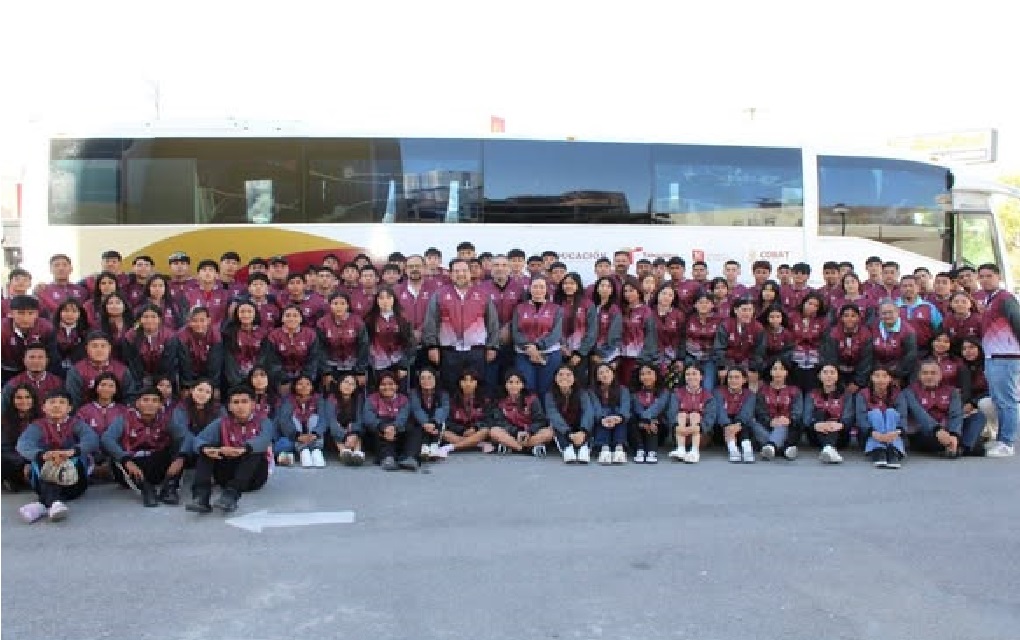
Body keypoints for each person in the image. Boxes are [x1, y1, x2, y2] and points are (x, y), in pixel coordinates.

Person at [186, 385, 273, 514]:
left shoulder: (264, 422)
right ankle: (201, 497)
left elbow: (264, 440)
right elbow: (199, 440)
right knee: (205, 450)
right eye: (236, 402)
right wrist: (207, 449)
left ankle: (231, 496)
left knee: (255, 451)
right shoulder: (221, 423)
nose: (240, 406)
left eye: (244, 402)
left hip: (254, 476)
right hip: (226, 474)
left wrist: (244, 449)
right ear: (229, 406)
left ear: (253, 405)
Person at [16, 389, 99, 523]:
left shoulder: (76, 424)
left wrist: (71, 452)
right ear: (44, 407)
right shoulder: (37, 426)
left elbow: (92, 440)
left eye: (61, 402)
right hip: (43, 478)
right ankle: (54, 503)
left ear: (69, 408)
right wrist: (44, 455)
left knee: (72, 459)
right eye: (52, 402)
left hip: (74, 483)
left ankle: (42, 505)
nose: (56, 406)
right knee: (43, 462)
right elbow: (23, 444)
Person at [422, 259, 500, 395]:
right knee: (450, 388)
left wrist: (492, 346)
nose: (461, 274)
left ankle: (476, 409)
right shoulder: (439, 294)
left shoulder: (482, 294)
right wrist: (432, 346)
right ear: (451, 274)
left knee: (477, 389)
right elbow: (431, 322)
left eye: (464, 271)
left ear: (470, 273)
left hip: (476, 351)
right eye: (456, 271)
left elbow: (492, 322)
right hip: (449, 351)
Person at [102, 387, 189, 506]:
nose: (150, 404)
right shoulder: (125, 418)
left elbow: (186, 437)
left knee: (180, 446)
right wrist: (126, 460)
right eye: (146, 400)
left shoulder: (166, 419)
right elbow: (107, 439)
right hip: (132, 464)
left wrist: (180, 458)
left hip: (157, 463)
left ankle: (170, 488)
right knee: (116, 456)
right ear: (137, 403)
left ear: (160, 405)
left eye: (155, 401)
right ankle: (146, 490)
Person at [977, 263, 1020, 457]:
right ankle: (1001, 438)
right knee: (997, 400)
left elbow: (1018, 322)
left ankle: (1007, 442)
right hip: (993, 356)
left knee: (1006, 401)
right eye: (982, 276)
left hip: (1006, 356)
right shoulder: (990, 300)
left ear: (998, 277)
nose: (985, 280)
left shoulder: (1005, 298)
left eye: (989, 276)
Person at [902, 360, 966, 458]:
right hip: (923, 431)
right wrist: (937, 430)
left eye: (933, 373)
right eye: (925, 373)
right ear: (919, 375)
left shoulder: (952, 391)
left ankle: (954, 445)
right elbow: (919, 414)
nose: (929, 376)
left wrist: (954, 434)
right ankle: (958, 447)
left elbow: (956, 414)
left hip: (947, 428)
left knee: (977, 417)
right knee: (931, 441)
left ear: (940, 375)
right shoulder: (909, 391)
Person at [511, 277, 563, 397]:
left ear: (546, 289)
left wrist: (538, 346)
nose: (538, 290)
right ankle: (531, 409)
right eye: (535, 287)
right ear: (529, 288)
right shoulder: (519, 308)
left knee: (546, 389)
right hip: (524, 353)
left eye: (541, 287)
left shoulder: (556, 309)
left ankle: (546, 409)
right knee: (527, 387)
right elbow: (515, 332)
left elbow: (556, 333)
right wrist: (529, 347)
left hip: (549, 354)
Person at [362, 371, 418, 471]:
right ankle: (387, 458)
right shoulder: (371, 399)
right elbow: (368, 418)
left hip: (398, 430)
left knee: (415, 429)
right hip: (380, 432)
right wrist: (384, 427)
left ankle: (410, 457)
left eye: (391, 384)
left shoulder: (403, 399)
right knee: (377, 428)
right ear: (378, 386)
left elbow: (403, 417)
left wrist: (394, 427)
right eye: (383, 384)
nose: (387, 387)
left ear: (396, 386)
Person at [65, 331, 138, 408]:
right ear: (87, 348)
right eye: (94, 346)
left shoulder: (122, 370)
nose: (99, 350)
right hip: (85, 413)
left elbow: (129, 398)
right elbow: (74, 401)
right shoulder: (76, 371)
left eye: (103, 346)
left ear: (110, 348)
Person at [488, 369, 551, 456]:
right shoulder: (500, 401)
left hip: (530, 434)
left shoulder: (532, 399)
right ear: (506, 385)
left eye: (517, 382)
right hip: (511, 434)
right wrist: (516, 432)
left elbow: (540, 420)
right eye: (510, 382)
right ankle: (525, 449)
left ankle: (513, 446)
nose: (514, 386)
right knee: (494, 431)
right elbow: (500, 422)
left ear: (522, 385)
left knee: (549, 432)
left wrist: (529, 431)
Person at [856, 366, 907, 469]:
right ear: (871, 378)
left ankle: (893, 450)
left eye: (884, 376)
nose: (880, 379)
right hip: (870, 434)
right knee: (875, 413)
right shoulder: (862, 394)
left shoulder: (898, 393)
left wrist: (896, 433)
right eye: (877, 376)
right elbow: (861, 417)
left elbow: (903, 416)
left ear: (890, 379)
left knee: (891, 412)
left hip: (893, 435)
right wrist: (874, 433)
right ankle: (878, 449)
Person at [753, 357, 803, 461]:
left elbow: (797, 412)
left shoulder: (795, 391)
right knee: (752, 423)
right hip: (767, 426)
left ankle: (771, 446)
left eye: (781, 369)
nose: (778, 372)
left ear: (787, 372)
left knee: (782, 424)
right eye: (775, 369)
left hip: (788, 426)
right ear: (770, 372)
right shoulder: (762, 390)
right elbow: (760, 412)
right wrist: (770, 421)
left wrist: (788, 419)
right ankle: (783, 449)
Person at [317, 292, 369, 391]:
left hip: (354, 366)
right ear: (330, 305)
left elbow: (364, 346)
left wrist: (361, 371)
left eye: (342, 303)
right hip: (331, 366)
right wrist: (326, 372)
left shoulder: (357, 321)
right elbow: (320, 349)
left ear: (347, 305)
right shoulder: (322, 323)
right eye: (335, 303)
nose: (338, 307)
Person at [363, 287, 413, 388]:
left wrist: (404, 365)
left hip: (399, 361)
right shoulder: (370, 319)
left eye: (388, 297)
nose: (385, 301)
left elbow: (410, 342)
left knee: (400, 391)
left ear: (394, 299)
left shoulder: (403, 318)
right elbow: (365, 342)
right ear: (377, 300)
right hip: (378, 363)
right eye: (381, 298)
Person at [803, 364, 854, 463]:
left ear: (837, 376)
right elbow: (806, 418)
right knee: (820, 413)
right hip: (816, 434)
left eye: (832, 372)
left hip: (840, 435)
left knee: (832, 420)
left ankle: (828, 448)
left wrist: (839, 425)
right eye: (825, 372)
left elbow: (848, 417)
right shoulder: (811, 394)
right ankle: (829, 449)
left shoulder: (846, 395)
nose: (829, 375)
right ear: (819, 376)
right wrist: (816, 425)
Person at [275, 374, 328, 468]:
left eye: (307, 384)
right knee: (292, 421)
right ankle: (303, 450)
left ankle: (316, 450)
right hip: (295, 435)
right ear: (294, 386)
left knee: (314, 418)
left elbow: (323, 419)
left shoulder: (318, 399)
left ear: (312, 386)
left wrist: (315, 434)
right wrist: (297, 436)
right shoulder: (288, 400)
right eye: (300, 384)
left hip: (313, 435)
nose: (304, 386)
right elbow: (284, 420)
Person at [265, 305, 320, 394]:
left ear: (301, 319)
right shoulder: (273, 335)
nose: (291, 319)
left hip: (305, 377)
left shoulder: (310, 334)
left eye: (295, 316)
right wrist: (283, 379)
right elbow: (273, 361)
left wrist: (305, 378)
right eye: (288, 316)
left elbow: (313, 359)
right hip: (281, 378)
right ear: (282, 319)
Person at [666, 363, 715, 463]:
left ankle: (694, 451)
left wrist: (699, 427)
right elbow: (671, 413)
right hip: (680, 431)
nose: (691, 377)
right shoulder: (677, 393)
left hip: (700, 433)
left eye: (694, 374)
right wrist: (676, 426)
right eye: (688, 374)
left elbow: (710, 417)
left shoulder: (708, 396)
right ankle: (681, 449)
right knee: (682, 414)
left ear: (701, 377)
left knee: (695, 415)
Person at [545, 365, 594, 464]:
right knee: (555, 426)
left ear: (574, 378)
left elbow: (588, 412)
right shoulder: (550, 395)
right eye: (561, 374)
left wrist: (583, 432)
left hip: (579, 426)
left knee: (589, 423)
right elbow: (553, 415)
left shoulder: (582, 393)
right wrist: (568, 434)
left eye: (568, 375)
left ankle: (584, 447)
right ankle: (567, 448)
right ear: (555, 378)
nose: (564, 377)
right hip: (563, 429)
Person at [170, 307, 224, 395]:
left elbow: (215, 364)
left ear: (208, 320)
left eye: (202, 320)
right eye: (194, 321)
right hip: (189, 375)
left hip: (208, 374)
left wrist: (213, 386)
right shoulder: (182, 336)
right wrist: (187, 385)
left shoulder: (216, 335)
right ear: (189, 321)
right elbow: (184, 363)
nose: (199, 324)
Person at [820, 304, 873, 394]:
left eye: (853, 316)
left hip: (858, 372)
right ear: (841, 318)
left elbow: (866, 361)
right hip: (837, 372)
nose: (849, 319)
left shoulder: (866, 334)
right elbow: (830, 358)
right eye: (846, 316)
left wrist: (857, 382)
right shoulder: (833, 333)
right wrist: (837, 381)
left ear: (858, 318)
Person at [2, 295, 54, 384]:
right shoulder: (2, 330)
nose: (25, 318)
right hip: (8, 371)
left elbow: (52, 356)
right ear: (11, 313)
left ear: (37, 314)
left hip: (38, 370)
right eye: (20, 313)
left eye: (30, 313)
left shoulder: (46, 328)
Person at [714, 298, 764, 388]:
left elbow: (759, 352)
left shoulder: (758, 328)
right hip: (729, 362)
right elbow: (719, 349)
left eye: (750, 310)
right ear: (736, 310)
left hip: (748, 363)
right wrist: (722, 367)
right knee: (725, 377)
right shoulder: (725, 325)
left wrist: (753, 369)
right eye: (744, 310)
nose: (747, 313)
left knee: (753, 380)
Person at [555, 273, 595, 385]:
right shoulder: (557, 303)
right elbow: (551, 328)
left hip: (580, 353)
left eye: (572, 283)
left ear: (578, 285)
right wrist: (561, 347)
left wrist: (580, 353)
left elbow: (592, 332)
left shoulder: (587, 304)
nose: (568, 286)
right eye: (565, 283)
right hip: (559, 351)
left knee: (578, 384)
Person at [221, 301, 269, 390]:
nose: (246, 315)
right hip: (235, 379)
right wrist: (236, 381)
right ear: (237, 314)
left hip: (256, 378)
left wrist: (255, 377)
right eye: (242, 311)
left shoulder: (263, 333)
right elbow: (229, 360)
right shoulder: (229, 333)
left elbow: (263, 357)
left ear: (255, 314)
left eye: (249, 311)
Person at [125, 304, 176, 387]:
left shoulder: (169, 336)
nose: (149, 320)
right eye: (146, 317)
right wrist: (143, 380)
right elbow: (132, 363)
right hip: (139, 379)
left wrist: (159, 381)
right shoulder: (131, 336)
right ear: (140, 319)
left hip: (164, 378)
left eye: (153, 317)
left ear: (159, 319)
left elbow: (168, 362)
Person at [443, 368, 493, 454]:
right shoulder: (452, 401)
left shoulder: (485, 401)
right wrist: (463, 430)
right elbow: (448, 422)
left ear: (476, 383)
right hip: (459, 433)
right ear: (460, 383)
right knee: (444, 433)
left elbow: (488, 420)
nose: (468, 384)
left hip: (477, 433)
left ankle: (452, 447)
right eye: (465, 380)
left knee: (485, 431)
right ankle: (476, 444)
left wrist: (475, 428)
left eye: (471, 381)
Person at [618, 280, 657, 388]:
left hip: (638, 356)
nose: (628, 294)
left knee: (633, 386)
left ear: (638, 292)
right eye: (625, 291)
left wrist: (644, 356)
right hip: (621, 356)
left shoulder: (646, 310)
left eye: (631, 290)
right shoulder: (621, 310)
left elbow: (650, 335)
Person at [589, 363, 630, 464]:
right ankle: (604, 448)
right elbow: (596, 407)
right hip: (601, 420)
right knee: (603, 418)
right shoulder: (592, 391)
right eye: (601, 373)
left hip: (619, 419)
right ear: (597, 377)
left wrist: (618, 417)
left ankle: (619, 448)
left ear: (613, 374)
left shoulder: (623, 389)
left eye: (607, 371)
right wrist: (604, 418)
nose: (605, 375)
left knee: (619, 417)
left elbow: (625, 407)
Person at [960, 337, 996, 453]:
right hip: (969, 405)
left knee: (984, 404)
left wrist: (973, 403)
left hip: (990, 401)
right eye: (964, 349)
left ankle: (994, 431)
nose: (968, 351)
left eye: (972, 347)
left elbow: (994, 390)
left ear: (980, 348)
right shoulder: (962, 367)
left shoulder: (990, 365)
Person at [2, 383, 40, 492]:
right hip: (14, 460)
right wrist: (23, 463)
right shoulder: (5, 420)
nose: (23, 401)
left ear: (33, 399)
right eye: (19, 397)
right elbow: (5, 449)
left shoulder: (42, 419)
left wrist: (32, 462)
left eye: (27, 397)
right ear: (13, 400)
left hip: (36, 459)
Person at [629, 363, 669, 464]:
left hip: (658, 427)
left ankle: (652, 452)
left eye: (649, 373)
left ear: (656, 375)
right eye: (642, 374)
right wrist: (643, 422)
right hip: (639, 426)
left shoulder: (664, 392)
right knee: (632, 420)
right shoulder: (635, 393)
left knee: (654, 420)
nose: (646, 377)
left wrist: (647, 421)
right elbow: (638, 410)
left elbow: (658, 408)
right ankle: (640, 450)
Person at [714, 367, 756, 463]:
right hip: (722, 426)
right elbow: (720, 411)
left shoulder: (750, 394)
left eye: (737, 377)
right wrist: (727, 425)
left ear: (744, 380)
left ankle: (747, 450)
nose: (733, 380)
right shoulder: (718, 392)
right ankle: (733, 449)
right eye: (730, 377)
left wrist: (738, 424)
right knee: (728, 424)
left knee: (745, 423)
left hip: (740, 424)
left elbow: (747, 411)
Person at [872, 300, 918, 386]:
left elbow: (910, 355)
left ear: (898, 312)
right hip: (878, 370)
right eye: (884, 313)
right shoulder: (872, 327)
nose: (887, 316)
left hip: (901, 372)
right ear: (879, 314)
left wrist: (897, 374)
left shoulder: (908, 331)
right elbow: (870, 353)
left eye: (890, 312)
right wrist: (881, 372)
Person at [409, 367, 451, 461]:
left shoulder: (443, 394)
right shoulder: (413, 393)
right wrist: (425, 423)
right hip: (421, 423)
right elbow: (416, 409)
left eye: (429, 378)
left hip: (436, 423)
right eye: (422, 378)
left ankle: (434, 445)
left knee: (441, 422)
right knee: (415, 423)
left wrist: (434, 422)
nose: (426, 381)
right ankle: (424, 446)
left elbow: (444, 409)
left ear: (435, 379)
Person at [789, 292, 829, 393]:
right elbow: (788, 337)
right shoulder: (792, 317)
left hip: (814, 356)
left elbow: (824, 341)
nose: (812, 307)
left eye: (816, 305)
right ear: (804, 303)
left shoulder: (822, 321)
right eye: (810, 303)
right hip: (794, 355)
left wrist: (809, 338)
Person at [327, 372, 366, 466]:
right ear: (339, 384)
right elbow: (331, 422)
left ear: (355, 387)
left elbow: (360, 419)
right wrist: (345, 435)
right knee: (336, 430)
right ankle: (343, 452)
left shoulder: (359, 399)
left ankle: (357, 453)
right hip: (336, 432)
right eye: (345, 382)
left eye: (352, 384)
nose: (348, 386)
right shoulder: (331, 398)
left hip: (352, 430)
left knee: (356, 430)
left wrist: (353, 433)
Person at [588, 276, 622, 383]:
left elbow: (615, 335)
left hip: (608, 355)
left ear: (612, 290)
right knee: (593, 383)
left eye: (608, 286)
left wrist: (603, 355)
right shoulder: (592, 307)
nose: (605, 288)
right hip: (592, 353)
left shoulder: (614, 309)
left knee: (608, 383)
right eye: (602, 285)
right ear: (597, 288)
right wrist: (591, 353)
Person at [684, 294, 720, 391]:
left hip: (710, 358)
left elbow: (720, 342)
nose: (704, 305)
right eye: (700, 302)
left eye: (707, 303)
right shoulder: (689, 318)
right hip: (691, 356)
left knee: (708, 387)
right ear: (695, 305)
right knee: (690, 385)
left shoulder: (719, 320)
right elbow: (682, 338)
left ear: (712, 305)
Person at [48, 298, 88, 374]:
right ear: (60, 312)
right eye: (66, 311)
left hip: (78, 371)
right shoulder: (50, 330)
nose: (70, 314)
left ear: (80, 313)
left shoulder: (86, 332)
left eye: (74, 311)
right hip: (53, 370)